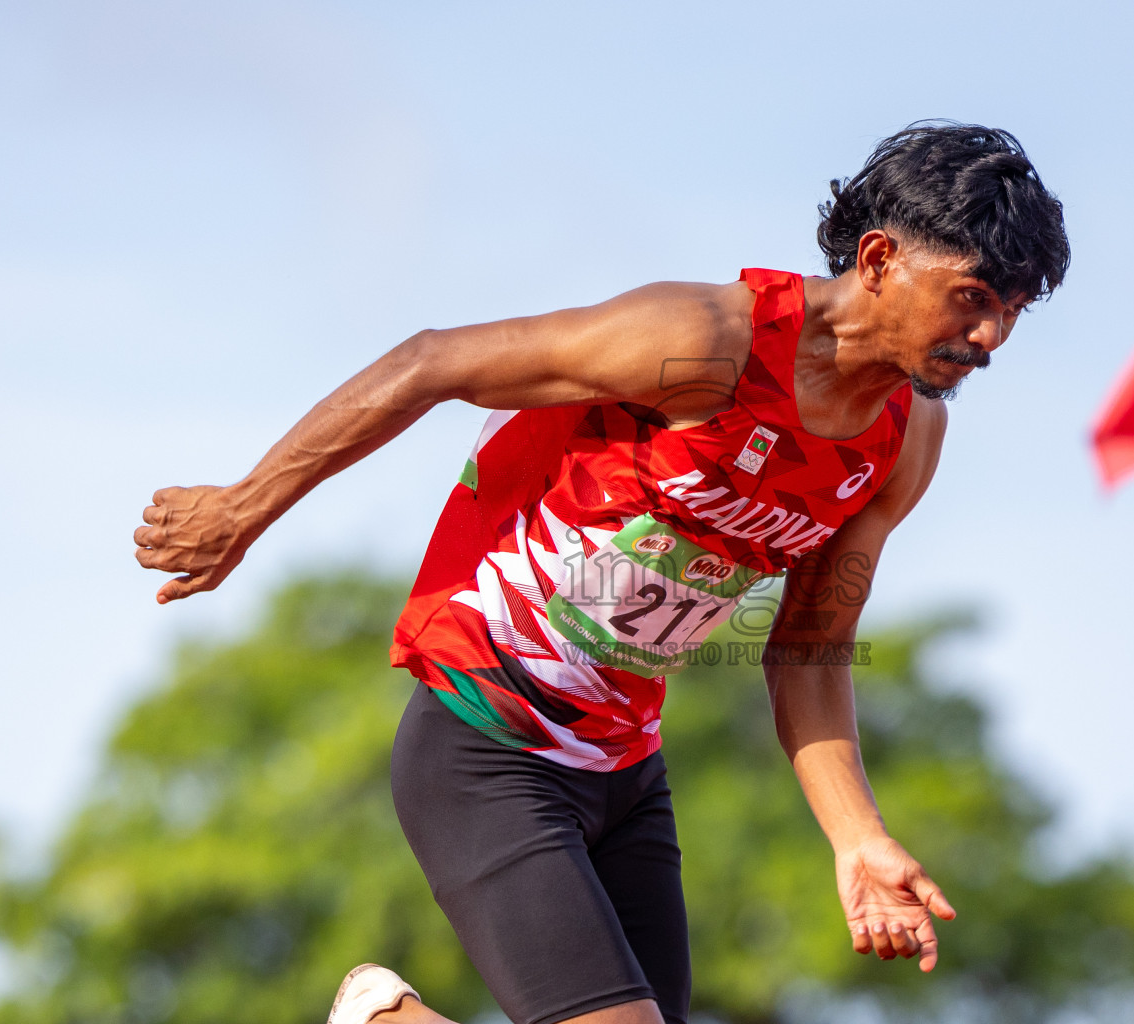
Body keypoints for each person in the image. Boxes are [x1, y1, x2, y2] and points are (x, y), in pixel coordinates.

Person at [134, 122, 1070, 1024]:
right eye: (972, 297)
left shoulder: (906, 440)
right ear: (876, 261)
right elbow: (433, 362)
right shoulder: (706, 342)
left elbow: (811, 646)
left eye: (1014, 310)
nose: (992, 337)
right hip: (484, 740)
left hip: (625, 773)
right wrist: (244, 505)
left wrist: (857, 836)